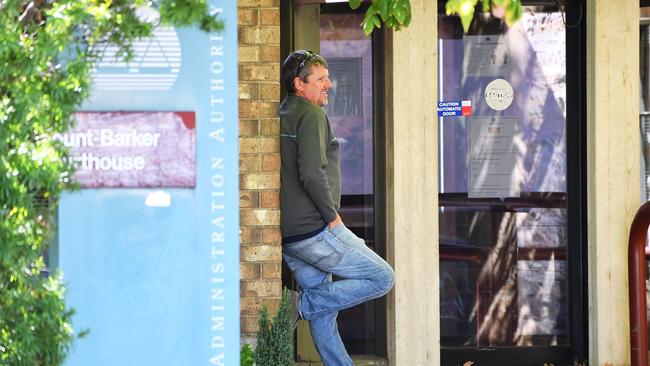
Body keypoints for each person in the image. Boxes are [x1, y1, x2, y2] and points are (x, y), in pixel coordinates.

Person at [279, 49, 395, 366]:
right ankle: (298, 306)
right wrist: (332, 217)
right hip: (315, 229)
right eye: (320, 79)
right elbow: (312, 173)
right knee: (383, 278)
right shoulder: (310, 115)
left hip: (289, 234)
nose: (328, 84)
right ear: (298, 84)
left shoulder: (282, 113)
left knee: (325, 313)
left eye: (328, 77)